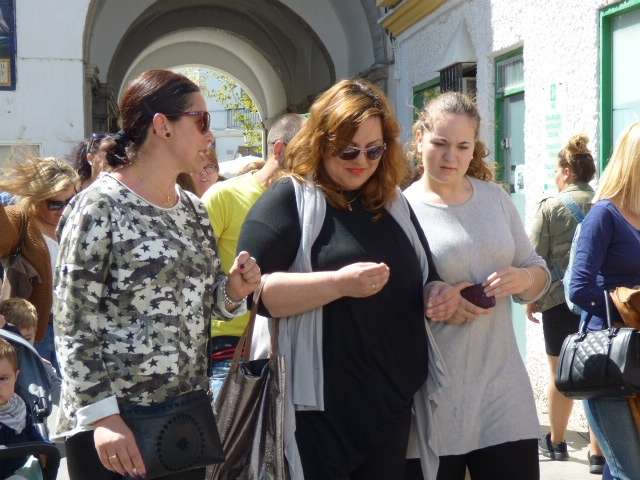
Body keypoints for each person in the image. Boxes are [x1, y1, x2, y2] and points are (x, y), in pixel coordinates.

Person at [238, 79, 459, 480]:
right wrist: (338, 284)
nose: (362, 161)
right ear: (321, 142)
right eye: (348, 150)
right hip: (318, 415)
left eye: (374, 150)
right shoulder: (289, 199)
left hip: (390, 406)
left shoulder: (392, 203)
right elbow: (255, 294)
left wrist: (438, 293)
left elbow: (427, 275)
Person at [53, 69, 261, 480]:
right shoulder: (99, 206)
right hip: (117, 428)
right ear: (162, 126)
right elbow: (73, 322)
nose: (210, 136)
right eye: (201, 121)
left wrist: (234, 290)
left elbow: (208, 303)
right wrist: (103, 418)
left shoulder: (193, 209)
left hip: (183, 422)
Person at [404, 91, 550, 480]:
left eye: (462, 146)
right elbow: (388, 300)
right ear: (419, 138)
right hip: (437, 397)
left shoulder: (495, 198)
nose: (450, 157)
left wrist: (523, 278)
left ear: (474, 149)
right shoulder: (401, 209)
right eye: (440, 143)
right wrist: (430, 299)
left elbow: (537, 271)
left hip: (503, 392)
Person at [202, 112, 305, 398]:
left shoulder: (309, 201)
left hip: (288, 344)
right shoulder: (223, 196)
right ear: (279, 149)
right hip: (232, 349)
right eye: (308, 150)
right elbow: (195, 275)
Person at [526, 134, 604, 470]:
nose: (556, 177)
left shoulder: (550, 207)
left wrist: (531, 298)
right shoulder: (605, 204)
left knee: (560, 375)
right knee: (597, 376)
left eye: (557, 171)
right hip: (597, 303)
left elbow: (534, 256)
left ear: (568, 172)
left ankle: (557, 443)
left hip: (558, 301)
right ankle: (598, 454)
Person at [569, 121, 640, 480]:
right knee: (628, 470)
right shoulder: (604, 214)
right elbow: (578, 288)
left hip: (637, 351)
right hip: (609, 356)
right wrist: (626, 304)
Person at [0, 156, 79, 374]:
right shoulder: (20, 218)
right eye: (55, 204)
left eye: (71, 201)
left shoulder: (79, 221)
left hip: (75, 330)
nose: (64, 209)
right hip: (34, 332)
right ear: (36, 198)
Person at [0, 337, 46, 479]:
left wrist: (43, 448)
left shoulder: (19, 405)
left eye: (3, 378)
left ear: (16, 376)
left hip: (21, 469)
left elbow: (31, 432)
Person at [0, 298, 61, 404]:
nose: (22, 347)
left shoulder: (42, 367)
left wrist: (41, 367)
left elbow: (60, 396)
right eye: (16, 341)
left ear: (35, 333)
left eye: (27, 339)